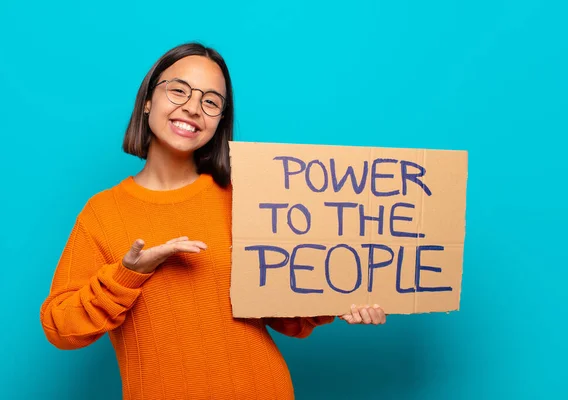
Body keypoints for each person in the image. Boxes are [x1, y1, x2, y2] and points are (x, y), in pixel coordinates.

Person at [40, 42, 386, 400]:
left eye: (210, 101)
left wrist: (335, 301)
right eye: (178, 90)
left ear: (220, 120)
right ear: (147, 100)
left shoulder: (246, 198)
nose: (192, 108)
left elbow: (286, 319)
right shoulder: (103, 212)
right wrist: (128, 274)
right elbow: (60, 328)